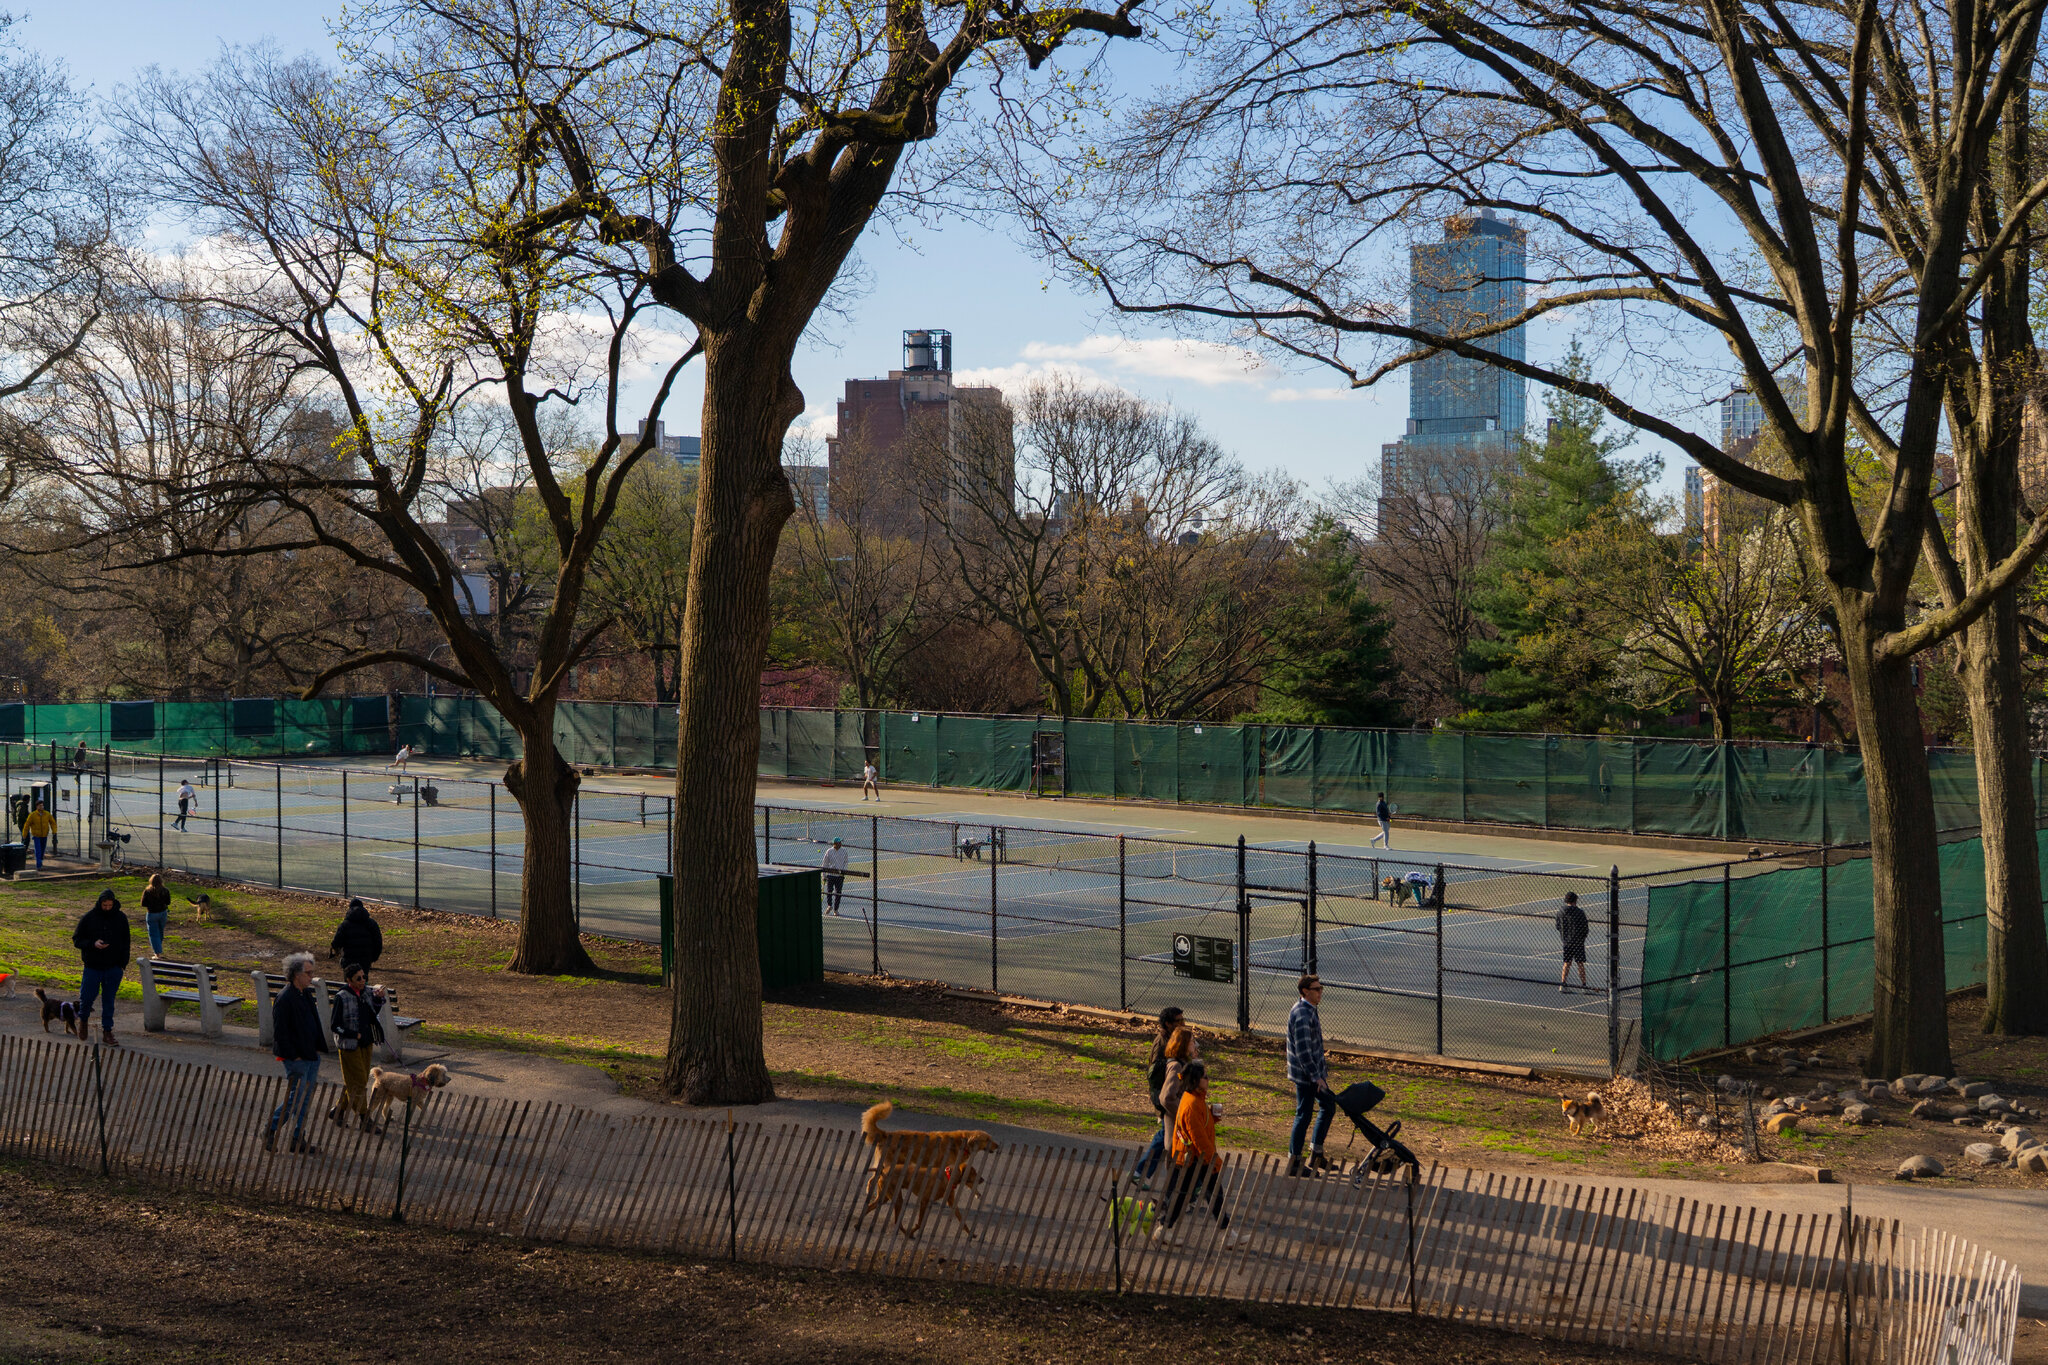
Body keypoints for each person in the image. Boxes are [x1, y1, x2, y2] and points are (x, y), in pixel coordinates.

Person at [1157, 1060, 1236, 1243]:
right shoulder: (1191, 1104)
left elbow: (1199, 1127)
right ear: (1195, 1080)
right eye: (1204, 1077)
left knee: (1203, 1194)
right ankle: (1163, 1229)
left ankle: (1226, 1233)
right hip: (1194, 1158)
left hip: (1194, 1157)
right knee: (1200, 1195)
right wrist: (1213, 1160)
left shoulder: (1196, 1099)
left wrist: (1211, 1117)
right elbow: (1198, 1137)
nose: (1208, 1079)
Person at [265, 952, 327, 1155]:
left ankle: (297, 1138)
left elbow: (313, 1022)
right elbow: (280, 1033)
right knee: (295, 1098)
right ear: (295, 974)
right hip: (296, 1058)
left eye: (312, 972)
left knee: (305, 1100)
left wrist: (316, 1047)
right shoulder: (285, 998)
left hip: (311, 1055)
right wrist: (295, 1056)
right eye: (308, 973)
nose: (311, 977)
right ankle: (271, 1129)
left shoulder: (305, 994)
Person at [1131, 1010, 1194, 1189]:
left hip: (1168, 1095)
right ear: (1168, 1023)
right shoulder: (1162, 1042)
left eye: (1183, 1019)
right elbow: (1155, 1072)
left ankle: (1140, 1173)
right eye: (1178, 1020)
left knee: (1164, 1136)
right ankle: (1142, 1173)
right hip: (1164, 1096)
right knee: (1166, 1137)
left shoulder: (1173, 1037)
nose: (1182, 1022)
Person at [326, 961, 385, 1133]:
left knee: (357, 1082)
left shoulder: (366, 993)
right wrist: (353, 1034)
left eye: (364, 977)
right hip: (349, 1046)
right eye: (358, 978)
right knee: (358, 1082)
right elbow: (334, 1025)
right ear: (349, 980)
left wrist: (377, 999)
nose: (363, 980)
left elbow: (372, 1014)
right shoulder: (342, 997)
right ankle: (364, 1119)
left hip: (366, 1043)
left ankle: (338, 1110)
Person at [1286, 973, 1336, 1177]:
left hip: (1312, 1074)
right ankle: (1294, 1162)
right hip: (1306, 1076)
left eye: (1321, 988)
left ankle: (1315, 1153)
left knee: (1327, 1106)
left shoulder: (1308, 1009)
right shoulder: (1302, 1015)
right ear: (1305, 991)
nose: (1320, 992)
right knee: (1304, 1114)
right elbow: (1304, 1051)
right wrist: (1317, 1077)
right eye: (1316, 989)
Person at [73, 889, 131, 1046]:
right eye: (105, 905)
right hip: (93, 966)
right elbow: (77, 939)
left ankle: (107, 1031)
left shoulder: (120, 918)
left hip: (113, 967)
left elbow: (126, 941)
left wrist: (122, 964)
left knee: (109, 1001)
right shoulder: (89, 918)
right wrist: (92, 944)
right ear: (100, 903)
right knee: (86, 997)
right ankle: (83, 1020)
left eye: (110, 905)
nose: (107, 908)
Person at [328, 897, 384, 969]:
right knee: (363, 975)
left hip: (348, 960)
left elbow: (337, 941)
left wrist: (334, 950)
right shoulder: (372, 924)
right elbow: (378, 942)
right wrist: (373, 958)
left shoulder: (345, 924)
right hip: (365, 961)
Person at [1556, 890, 1592, 993]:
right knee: (1580, 963)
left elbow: (1558, 926)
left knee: (1567, 963)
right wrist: (1582, 937)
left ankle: (1563, 984)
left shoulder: (1561, 912)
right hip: (1578, 942)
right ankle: (1584, 986)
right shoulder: (1579, 912)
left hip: (1567, 941)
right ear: (1575, 900)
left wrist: (1564, 935)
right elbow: (1585, 928)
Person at [140, 873, 172, 959]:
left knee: (153, 934)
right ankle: (158, 948)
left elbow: (143, 903)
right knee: (160, 931)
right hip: (162, 913)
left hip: (152, 914)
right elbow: (168, 902)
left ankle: (157, 953)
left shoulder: (147, 891)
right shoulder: (165, 890)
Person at [21, 801, 54, 870]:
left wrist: (54, 831)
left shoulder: (47, 814)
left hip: (44, 835)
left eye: (42, 805)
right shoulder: (32, 815)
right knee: (38, 849)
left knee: (42, 849)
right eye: (40, 805)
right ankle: (38, 865)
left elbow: (52, 822)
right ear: (37, 806)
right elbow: (27, 825)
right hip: (36, 835)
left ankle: (40, 861)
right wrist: (24, 834)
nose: (41, 807)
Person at [822, 837, 849, 916]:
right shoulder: (829, 851)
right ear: (835, 844)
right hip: (830, 875)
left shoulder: (844, 851)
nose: (841, 843)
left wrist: (843, 871)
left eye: (841, 842)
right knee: (829, 891)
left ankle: (836, 909)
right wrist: (824, 875)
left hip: (839, 876)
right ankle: (829, 905)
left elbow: (846, 862)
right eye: (839, 842)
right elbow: (825, 863)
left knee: (838, 893)